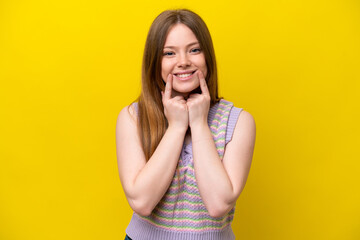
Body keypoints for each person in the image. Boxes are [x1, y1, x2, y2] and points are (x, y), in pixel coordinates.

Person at [116, 8, 256, 240]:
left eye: (194, 50)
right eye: (169, 53)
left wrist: (199, 123)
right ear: (155, 62)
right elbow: (141, 201)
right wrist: (177, 127)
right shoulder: (133, 117)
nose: (183, 62)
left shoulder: (238, 121)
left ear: (207, 57)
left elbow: (219, 203)